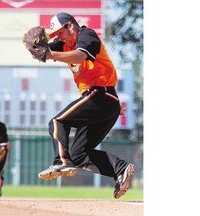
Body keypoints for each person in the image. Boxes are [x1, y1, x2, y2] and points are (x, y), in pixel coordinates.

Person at [36, 12, 135, 199]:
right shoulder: (63, 42)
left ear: (70, 26)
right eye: (55, 33)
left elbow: (80, 56)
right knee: (79, 154)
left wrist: (48, 54)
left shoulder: (87, 35)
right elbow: (40, 50)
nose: (58, 36)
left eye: (60, 31)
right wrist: (38, 45)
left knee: (57, 122)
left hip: (101, 94)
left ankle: (61, 161)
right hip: (104, 103)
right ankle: (120, 169)